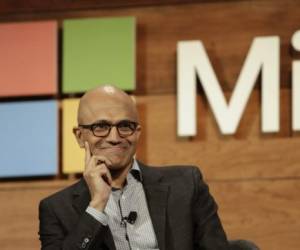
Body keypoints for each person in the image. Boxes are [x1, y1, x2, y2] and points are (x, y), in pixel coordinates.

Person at [39, 85, 230, 250]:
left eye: (125, 126)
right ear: (80, 136)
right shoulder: (56, 209)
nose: (114, 137)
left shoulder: (187, 184)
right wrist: (97, 205)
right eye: (100, 126)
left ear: (137, 133)